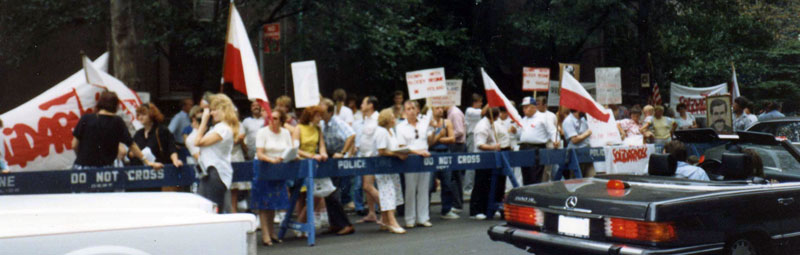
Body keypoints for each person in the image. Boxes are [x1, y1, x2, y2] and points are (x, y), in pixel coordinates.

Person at [72, 91, 162, 170]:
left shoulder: (86, 118)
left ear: (99, 104)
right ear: (116, 105)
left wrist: (81, 158)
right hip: (105, 171)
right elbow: (131, 145)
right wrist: (147, 161)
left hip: (82, 168)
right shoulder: (117, 121)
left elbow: (74, 145)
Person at [194, 93, 240, 212]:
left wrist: (204, 121)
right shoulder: (218, 128)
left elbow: (197, 142)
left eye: (214, 110)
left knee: (211, 209)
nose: (211, 113)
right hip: (209, 171)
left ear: (223, 110)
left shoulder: (223, 128)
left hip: (216, 172)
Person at [253, 109, 292, 246]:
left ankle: (272, 232)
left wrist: (286, 158)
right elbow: (259, 153)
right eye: (270, 118)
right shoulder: (262, 132)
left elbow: (289, 149)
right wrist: (271, 160)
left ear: (281, 121)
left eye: (275, 118)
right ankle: (265, 235)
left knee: (274, 202)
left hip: (279, 170)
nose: (272, 121)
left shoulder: (286, 133)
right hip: (264, 168)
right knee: (264, 204)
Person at [318, 99, 356, 235]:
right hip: (328, 158)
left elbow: (351, 135)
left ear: (330, 112)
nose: (320, 113)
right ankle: (335, 224)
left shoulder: (338, 122)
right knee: (328, 193)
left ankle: (346, 224)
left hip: (338, 159)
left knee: (333, 193)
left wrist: (342, 152)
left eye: (322, 111)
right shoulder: (322, 124)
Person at [396, 100, 433, 228]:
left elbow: (430, 139)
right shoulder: (400, 127)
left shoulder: (424, 123)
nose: (411, 111)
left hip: (425, 158)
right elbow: (402, 146)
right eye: (408, 109)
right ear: (404, 111)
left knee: (424, 188)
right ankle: (409, 219)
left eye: (413, 108)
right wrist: (418, 152)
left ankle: (423, 218)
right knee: (410, 189)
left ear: (417, 110)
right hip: (410, 159)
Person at [131, 103, 184, 191]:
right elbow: (131, 152)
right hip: (142, 178)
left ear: (151, 115)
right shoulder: (138, 134)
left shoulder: (162, 131)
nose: (140, 117)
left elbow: (171, 147)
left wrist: (175, 160)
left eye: (144, 114)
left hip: (159, 176)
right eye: (138, 115)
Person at [292, 106, 328, 229]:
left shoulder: (318, 129)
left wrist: (323, 153)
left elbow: (321, 145)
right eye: (318, 116)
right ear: (311, 116)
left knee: (314, 195)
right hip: (301, 163)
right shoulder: (299, 128)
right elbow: (295, 148)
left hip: (313, 164)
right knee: (301, 196)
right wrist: (311, 155)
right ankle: (301, 225)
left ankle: (302, 223)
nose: (320, 118)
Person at [375, 108, 408, 234]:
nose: (394, 119)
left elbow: (393, 147)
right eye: (393, 117)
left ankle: (384, 220)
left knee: (393, 191)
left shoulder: (391, 132)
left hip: (392, 167)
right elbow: (381, 151)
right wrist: (397, 154)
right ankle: (392, 222)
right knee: (387, 192)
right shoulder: (381, 132)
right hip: (383, 167)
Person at [469, 108, 504, 220]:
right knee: (481, 184)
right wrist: (494, 147)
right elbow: (480, 144)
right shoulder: (482, 126)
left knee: (489, 185)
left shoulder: (490, 124)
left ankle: (487, 208)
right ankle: (476, 210)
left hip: (490, 158)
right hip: (482, 158)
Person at [354, 96, 382, 223]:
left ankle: (387, 212)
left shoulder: (378, 118)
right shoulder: (366, 119)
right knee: (367, 186)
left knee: (367, 186)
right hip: (364, 156)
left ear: (370, 105)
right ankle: (372, 213)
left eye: (363, 103)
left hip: (373, 157)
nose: (361, 106)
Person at [518, 97, 557, 184]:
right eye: (523, 107)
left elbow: (552, 131)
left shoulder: (543, 117)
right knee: (525, 174)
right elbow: (520, 135)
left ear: (533, 107)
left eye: (526, 107)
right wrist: (514, 131)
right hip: (524, 148)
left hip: (536, 149)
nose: (524, 110)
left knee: (535, 175)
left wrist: (555, 141)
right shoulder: (523, 120)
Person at [429, 106, 457, 219]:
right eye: (437, 108)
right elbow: (429, 143)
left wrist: (438, 138)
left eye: (441, 108)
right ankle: (425, 210)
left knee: (447, 183)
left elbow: (452, 138)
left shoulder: (447, 122)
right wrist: (440, 135)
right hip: (432, 153)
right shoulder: (429, 123)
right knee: (429, 184)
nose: (440, 110)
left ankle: (446, 210)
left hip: (445, 153)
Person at [445, 105, 466, 216]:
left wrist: (448, 134)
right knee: (455, 176)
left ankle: (457, 204)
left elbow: (460, 131)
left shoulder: (454, 113)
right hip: (456, 145)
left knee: (455, 176)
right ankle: (457, 202)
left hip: (457, 145)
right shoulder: (451, 112)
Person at [562, 109, 593, 178]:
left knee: (589, 177)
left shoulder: (583, 120)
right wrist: (587, 133)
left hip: (587, 152)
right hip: (576, 153)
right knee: (576, 178)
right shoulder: (568, 121)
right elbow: (574, 140)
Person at [464, 93, 485, 195]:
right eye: (480, 101)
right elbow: (483, 112)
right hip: (472, 136)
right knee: (472, 161)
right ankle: (468, 187)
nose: (481, 103)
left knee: (478, 161)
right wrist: (491, 101)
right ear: (475, 102)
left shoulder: (476, 111)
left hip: (478, 136)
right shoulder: (469, 111)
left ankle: (474, 186)